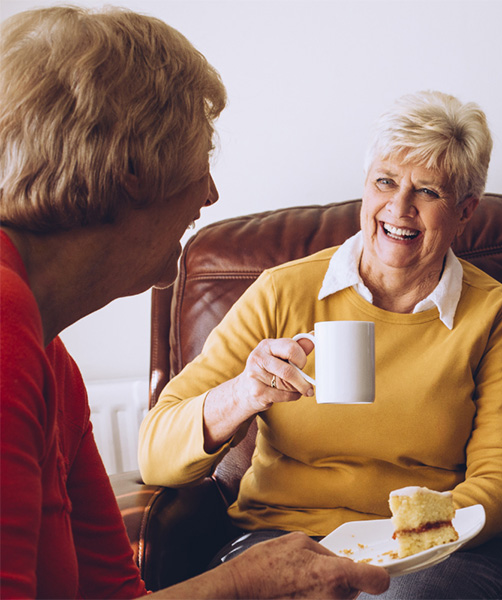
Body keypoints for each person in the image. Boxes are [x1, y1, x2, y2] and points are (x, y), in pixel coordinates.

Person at [0, 6, 389, 599]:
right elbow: (161, 452)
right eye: (199, 157)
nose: (210, 193)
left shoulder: (51, 358)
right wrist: (242, 584)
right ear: (134, 165)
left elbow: (118, 595)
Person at [138, 90, 502, 599]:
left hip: (436, 552)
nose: (400, 207)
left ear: (465, 211)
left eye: (428, 192)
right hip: (279, 537)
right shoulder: (281, 290)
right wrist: (245, 394)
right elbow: (155, 452)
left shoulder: (495, 316)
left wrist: (402, 544)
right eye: (386, 182)